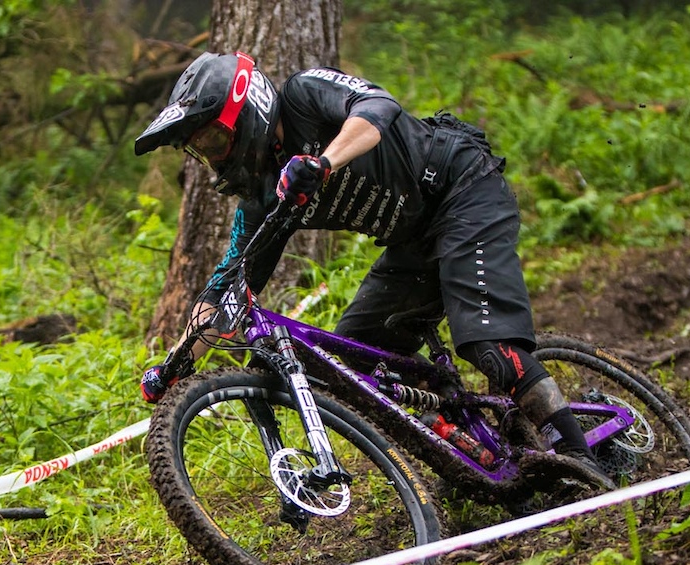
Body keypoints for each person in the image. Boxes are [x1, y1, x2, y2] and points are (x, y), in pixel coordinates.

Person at [133, 51, 614, 489]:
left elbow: (378, 108)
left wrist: (322, 162)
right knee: (352, 369)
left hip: (462, 188)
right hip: (412, 243)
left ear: (249, 107)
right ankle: (470, 453)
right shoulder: (263, 196)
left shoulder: (302, 94)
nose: (215, 156)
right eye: (202, 148)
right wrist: (176, 362)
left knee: (486, 341)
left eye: (215, 138)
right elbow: (227, 289)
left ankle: (579, 460)